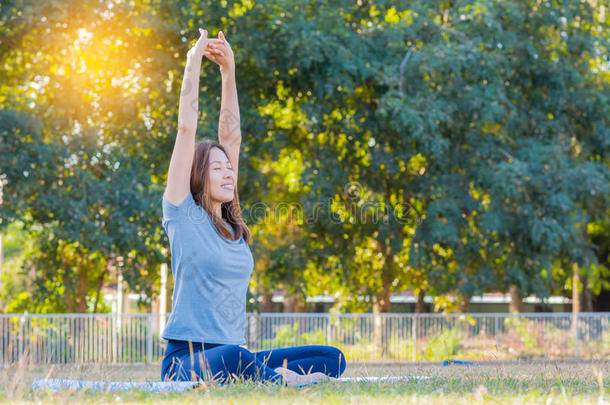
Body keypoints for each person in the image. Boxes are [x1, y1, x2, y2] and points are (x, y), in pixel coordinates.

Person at [160, 27, 346, 387]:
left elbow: (231, 136)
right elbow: (186, 129)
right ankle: (284, 382)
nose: (229, 172)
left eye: (229, 167)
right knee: (235, 356)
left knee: (330, 357)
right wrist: (193, 62)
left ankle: (272, 375)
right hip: (187, 361)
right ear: (198, 177)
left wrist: (229, 72)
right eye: (218, 168)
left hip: (234, 353)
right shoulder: (182, 214)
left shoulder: (233, 226)